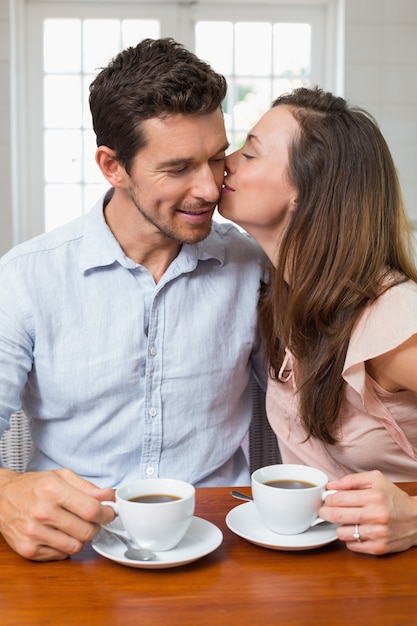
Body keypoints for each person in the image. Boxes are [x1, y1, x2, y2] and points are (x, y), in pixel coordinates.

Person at [0, 38, 266, 561]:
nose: (211, 189)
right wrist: (5, 493)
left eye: (216, 159)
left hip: (221, 538)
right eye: (178, 168)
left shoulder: (252, 267)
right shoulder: (27, 277)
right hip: (70, 543)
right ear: (112, 166)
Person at [219, 86, 417, 555]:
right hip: (334, 571)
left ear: (307, 190)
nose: (224, 162)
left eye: (249, 153)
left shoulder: (391, 321)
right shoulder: (284, 298)